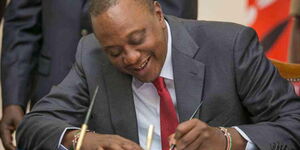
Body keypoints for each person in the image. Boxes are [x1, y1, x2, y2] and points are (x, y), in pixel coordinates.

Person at [16, 0, 300, 149]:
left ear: (158, 13)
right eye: (114, 52)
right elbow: (34, 126)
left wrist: (226, 140)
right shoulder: (92, 55)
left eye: (138, 39)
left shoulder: (230, 46)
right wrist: (84, 141)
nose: (131, 57)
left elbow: (294, 124)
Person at [0, 0, 198, 149]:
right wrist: (13, 99)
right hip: (55, 83)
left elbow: (174, 19)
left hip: (136, 87)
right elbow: (22, 24)